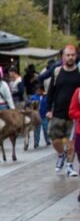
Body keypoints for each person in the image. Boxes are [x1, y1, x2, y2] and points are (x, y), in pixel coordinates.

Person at [46, 45, 80, 176]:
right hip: (58, 113)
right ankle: (61, 154)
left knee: (71, 143)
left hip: (74, 115)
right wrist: (48, 109)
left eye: (73, 55)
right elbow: (51, 92)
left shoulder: (79, 73)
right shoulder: (57, 71)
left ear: (76, 56)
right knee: (55, 140)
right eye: (68, 55)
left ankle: (70, 166)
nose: (70, 57)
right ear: (63, 57)